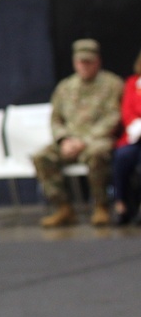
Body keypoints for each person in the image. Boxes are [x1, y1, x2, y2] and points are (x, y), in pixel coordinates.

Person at [33, 39, 123, 227]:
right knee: (41, 156)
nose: (85, 66)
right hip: (69, 141)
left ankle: (101, 206)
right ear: (75, 62)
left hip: (97, 140)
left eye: (89, 61)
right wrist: (64, 139)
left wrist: (84, 141)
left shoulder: (112, 84)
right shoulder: (65, 87)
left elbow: (114, 118)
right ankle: (63, 208)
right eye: (81, 62)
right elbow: (55, 119)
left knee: (97, 154)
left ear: (98, 61)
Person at [113, 50, 141, 225]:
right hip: (135, 136)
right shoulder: (132, 83)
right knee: (123, 157)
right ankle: (120, 205)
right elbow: (127, 111)